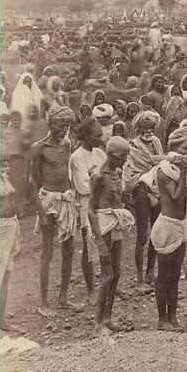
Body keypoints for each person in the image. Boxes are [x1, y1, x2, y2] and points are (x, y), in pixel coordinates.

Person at [150, 120, 187, 331]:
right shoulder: (164, 170)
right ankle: (162, 319)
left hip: (181, 225)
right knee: (164, 275)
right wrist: (185, 171)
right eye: (185, 148)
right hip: (167, 226)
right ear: (174, 148)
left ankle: (173, 318)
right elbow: (176, 198)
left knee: (175, 275)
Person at [30, 105, 81, 316]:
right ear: (50, 124)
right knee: (47, 252)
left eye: (67, 125)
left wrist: (72, 197)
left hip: (66, 199)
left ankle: (63, 299)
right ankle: (43, 303)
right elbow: (32, 181)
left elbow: (66, 173)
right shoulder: (39, 147)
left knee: (68, 250)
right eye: (60, 124)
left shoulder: (68, 144)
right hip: (48, 201)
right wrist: (41, 212)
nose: (64, 129)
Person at [87, 136, 136, 336]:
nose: (125, 160)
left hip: (114, 221)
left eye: (127, 156)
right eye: (122, 156)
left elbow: (117, 196)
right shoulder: (98, 176)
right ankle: (98, 323)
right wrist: (99, 241)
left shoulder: (118, 171)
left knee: (116, 273)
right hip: (103, 224)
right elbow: (90, 210)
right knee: (106, 275)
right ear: (110, 154)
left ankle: (108, 318)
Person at [123, 109, 163, 291]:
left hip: (156, 186)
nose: (148, 131)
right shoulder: (132, 147)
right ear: (138, 129)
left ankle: (150, 272)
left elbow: (161, 164)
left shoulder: (156, 142)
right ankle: (139, 278)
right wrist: (145, 178)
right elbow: (129, 172)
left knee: (156, 231)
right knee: (142, 234)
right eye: (144, 128)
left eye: (151, 128)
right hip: (140, 187)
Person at [69, 117, 107, 306]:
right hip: (88, 204)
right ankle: (91, 289)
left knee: (108, 241)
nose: (101, 138)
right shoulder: (77, 157)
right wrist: (101, 183)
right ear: (84, 136)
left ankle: (107, 283)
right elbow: (84, 186)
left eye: (101, 134)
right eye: (97, 135)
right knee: (89, 245)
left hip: (105, 201)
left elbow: (110, 176)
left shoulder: (100, 153)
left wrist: (99, 180)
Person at [0, 150, 23, 333]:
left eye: (6, 163)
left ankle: (1, 319)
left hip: (11, 225)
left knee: (6, 275)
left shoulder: (5, 178)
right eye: (1, 163)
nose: (5, 167)